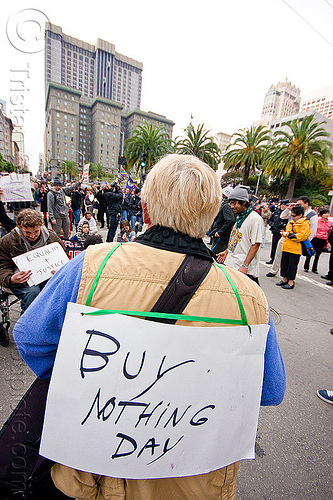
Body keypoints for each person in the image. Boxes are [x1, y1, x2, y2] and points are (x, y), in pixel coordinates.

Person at [13, 154, 285, 500]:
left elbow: (31, 337)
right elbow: (270, 391)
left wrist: (84, 381)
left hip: (90, 471)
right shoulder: (248, 296)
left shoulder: (92, 265)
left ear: (144, 210)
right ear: (212, 217)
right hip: (192, 480)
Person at [0, 209, 63, 314]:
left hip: (46, 275)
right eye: (27, 232)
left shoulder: (51, 237)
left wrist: (60, 270)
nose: (32, 236)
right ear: (20, 228)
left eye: (36, 232)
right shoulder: (8, 241)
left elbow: (63, 257)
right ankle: (28, 323)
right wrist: (10, 278)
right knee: (32, 292)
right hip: (21, 279)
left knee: (57, 288)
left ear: (41, 227)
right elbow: (2, 265)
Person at [217, 186, 264, 285]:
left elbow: (255, 244)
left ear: (244, 202)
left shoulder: (255, 219)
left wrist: (245, 266)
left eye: (234, 203)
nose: (232, 206)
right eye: (230, 203)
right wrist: (226, 252)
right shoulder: (239, 218)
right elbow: (235, 239)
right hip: (232, 265)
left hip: (243, 269)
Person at [275, 204, 310, 290]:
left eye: (294, 215)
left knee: (292, 265)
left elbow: (302, 236)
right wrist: (286, 234)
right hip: (286, 246)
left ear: (300, 215)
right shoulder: (291, 223)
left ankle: (291, 282)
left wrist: (288, 234)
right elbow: (288, 233)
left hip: (295, 249)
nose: (292, 217)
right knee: (284, 264)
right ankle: (284, 279)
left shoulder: (305, 224)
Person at [303, 208, 332, 274]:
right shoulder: (318, 220)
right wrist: (314, 234)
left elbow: (329, 232)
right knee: (310, 252)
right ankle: (306, 267)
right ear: (321, 214)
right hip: (316, 238)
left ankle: (314, 268)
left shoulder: (330, 223)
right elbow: (313, 227)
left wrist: (327, 242)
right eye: (325, 213)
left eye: (327, 213)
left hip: (323, 239)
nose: (327, 214)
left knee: (318, 254)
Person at [208, 186, 235, 255]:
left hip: (221, 238)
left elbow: (230, 220)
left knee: (215, 256)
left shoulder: (226, 206)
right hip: (221, 236)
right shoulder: (227, 206)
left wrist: (220, 232)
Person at [266, 199, 289, 264]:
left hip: (282, 231)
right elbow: (270, 220)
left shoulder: (288, 213)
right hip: (276, 231)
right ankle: (272, 258)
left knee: (281, 247)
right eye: (285, 205)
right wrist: (272, 224)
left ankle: (280, 260)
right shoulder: (276, 211)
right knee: (274, 246)